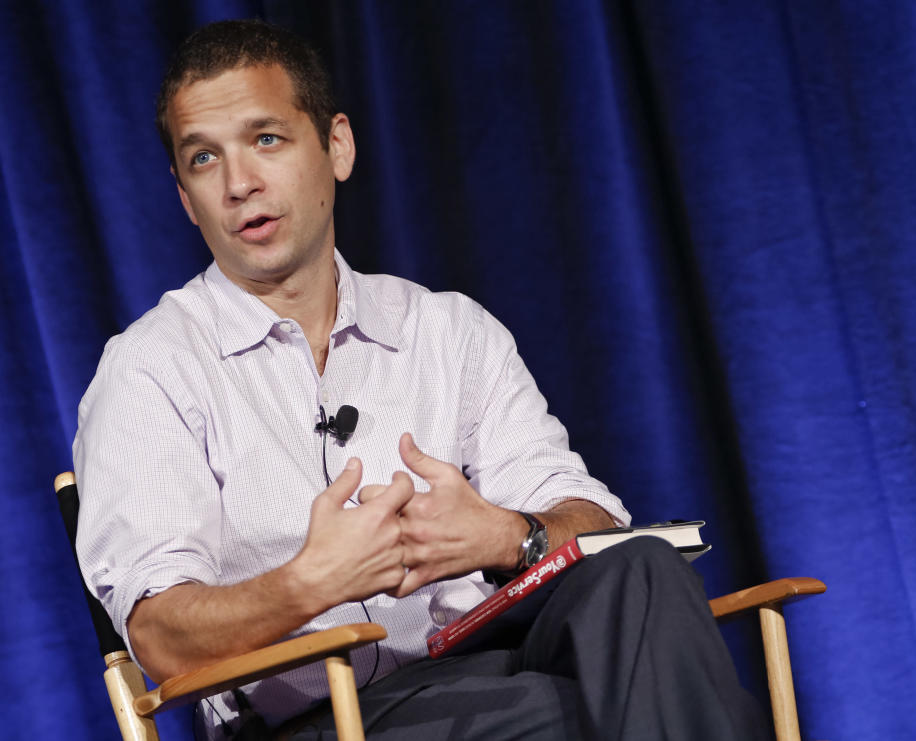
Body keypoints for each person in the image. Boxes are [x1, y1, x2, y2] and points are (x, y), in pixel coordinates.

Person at [74, 19, 767, 740]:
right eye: (204, 159)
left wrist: (506, 534)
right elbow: (160, 634)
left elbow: (591, 522)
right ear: (186, 198)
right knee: (645, 714)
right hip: (318, 719)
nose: (239, 183)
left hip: (491, 666)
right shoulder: (151, 368)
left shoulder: (448, 331)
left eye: (267, 140)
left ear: (336, 146)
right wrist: (310, 581)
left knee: (641, 570)